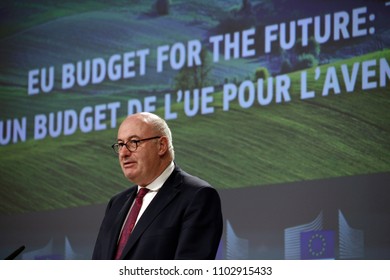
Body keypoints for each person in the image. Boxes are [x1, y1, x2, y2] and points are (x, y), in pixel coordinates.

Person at [92, 112, 223, 260]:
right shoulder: (116, 203)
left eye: (133, 142)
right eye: (121, 144)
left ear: (161, 146)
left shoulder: (197, 196)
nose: (123, 153)